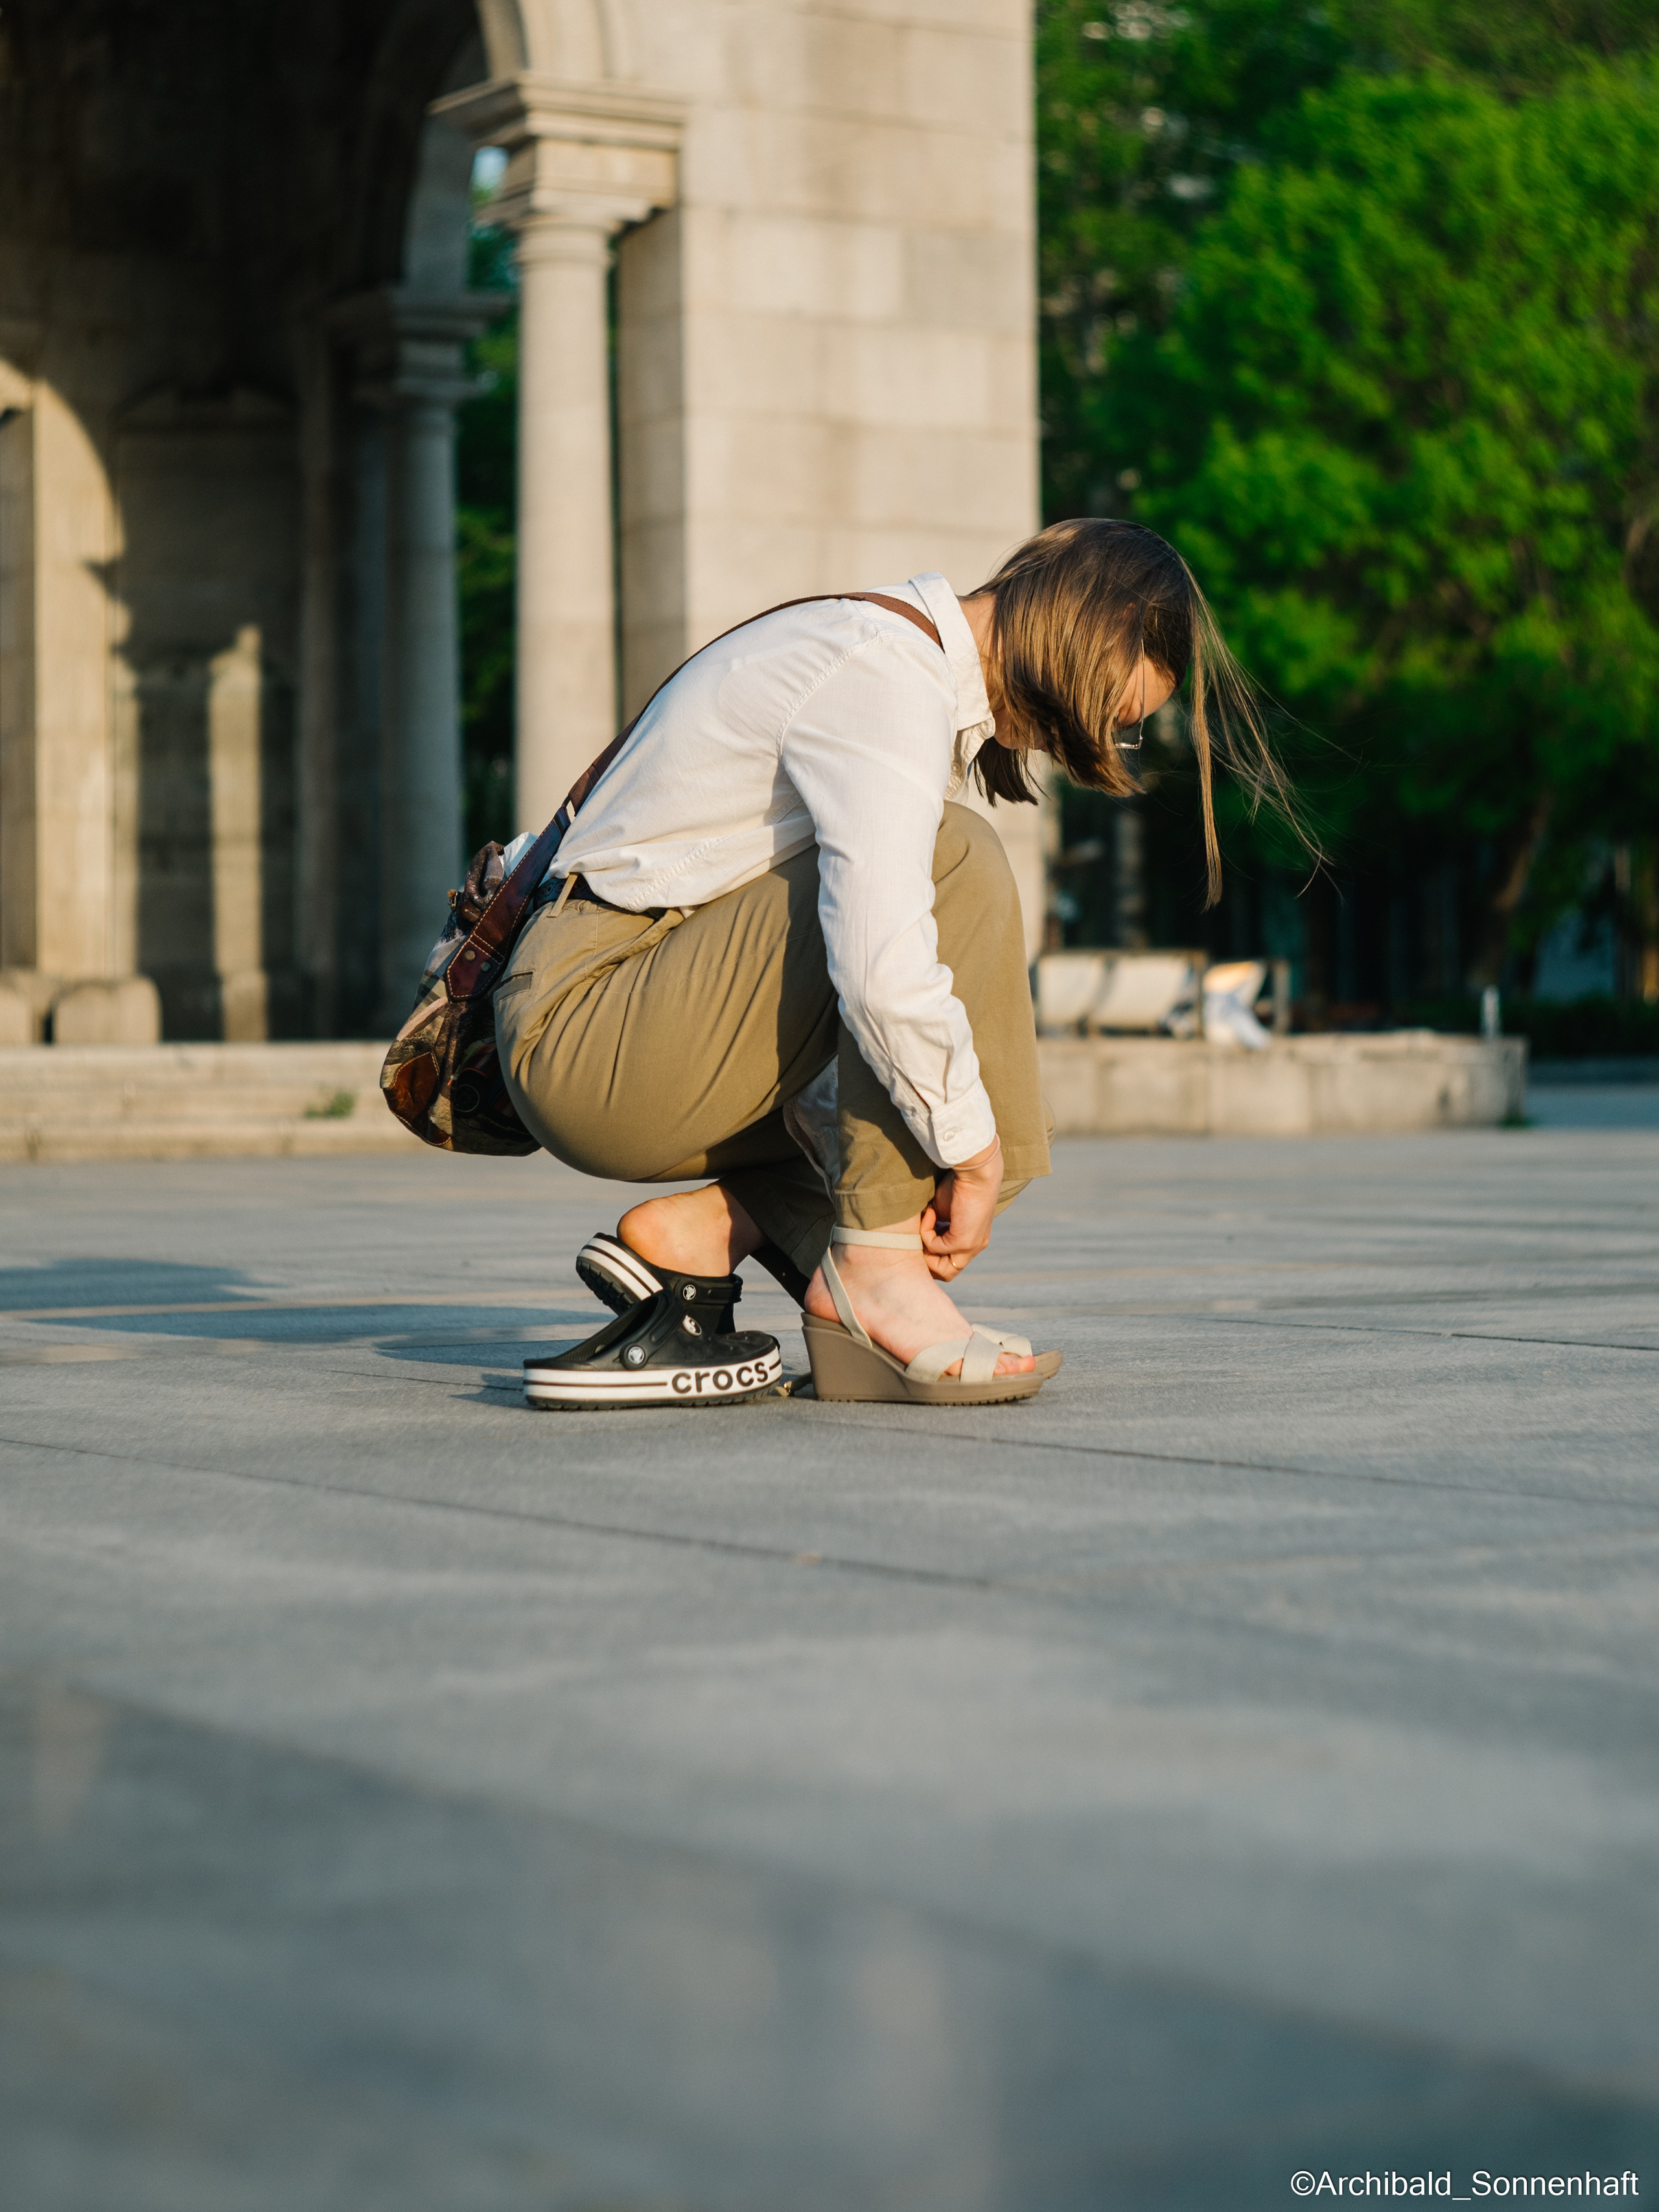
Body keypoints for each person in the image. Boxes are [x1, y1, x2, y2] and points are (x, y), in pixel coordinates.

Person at [501, 518, 1286, 1410]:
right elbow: (879, 970)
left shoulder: (888, 667)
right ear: (1087, 632)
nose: (1101, 738)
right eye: (1118, 711)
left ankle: (709, 1233)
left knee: (968, 1070)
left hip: (630, 1012)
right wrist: (970, 1151)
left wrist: (947, 1145)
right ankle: (872, 1274)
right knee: (953, 871)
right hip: (586, 1022)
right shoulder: (886, 676)